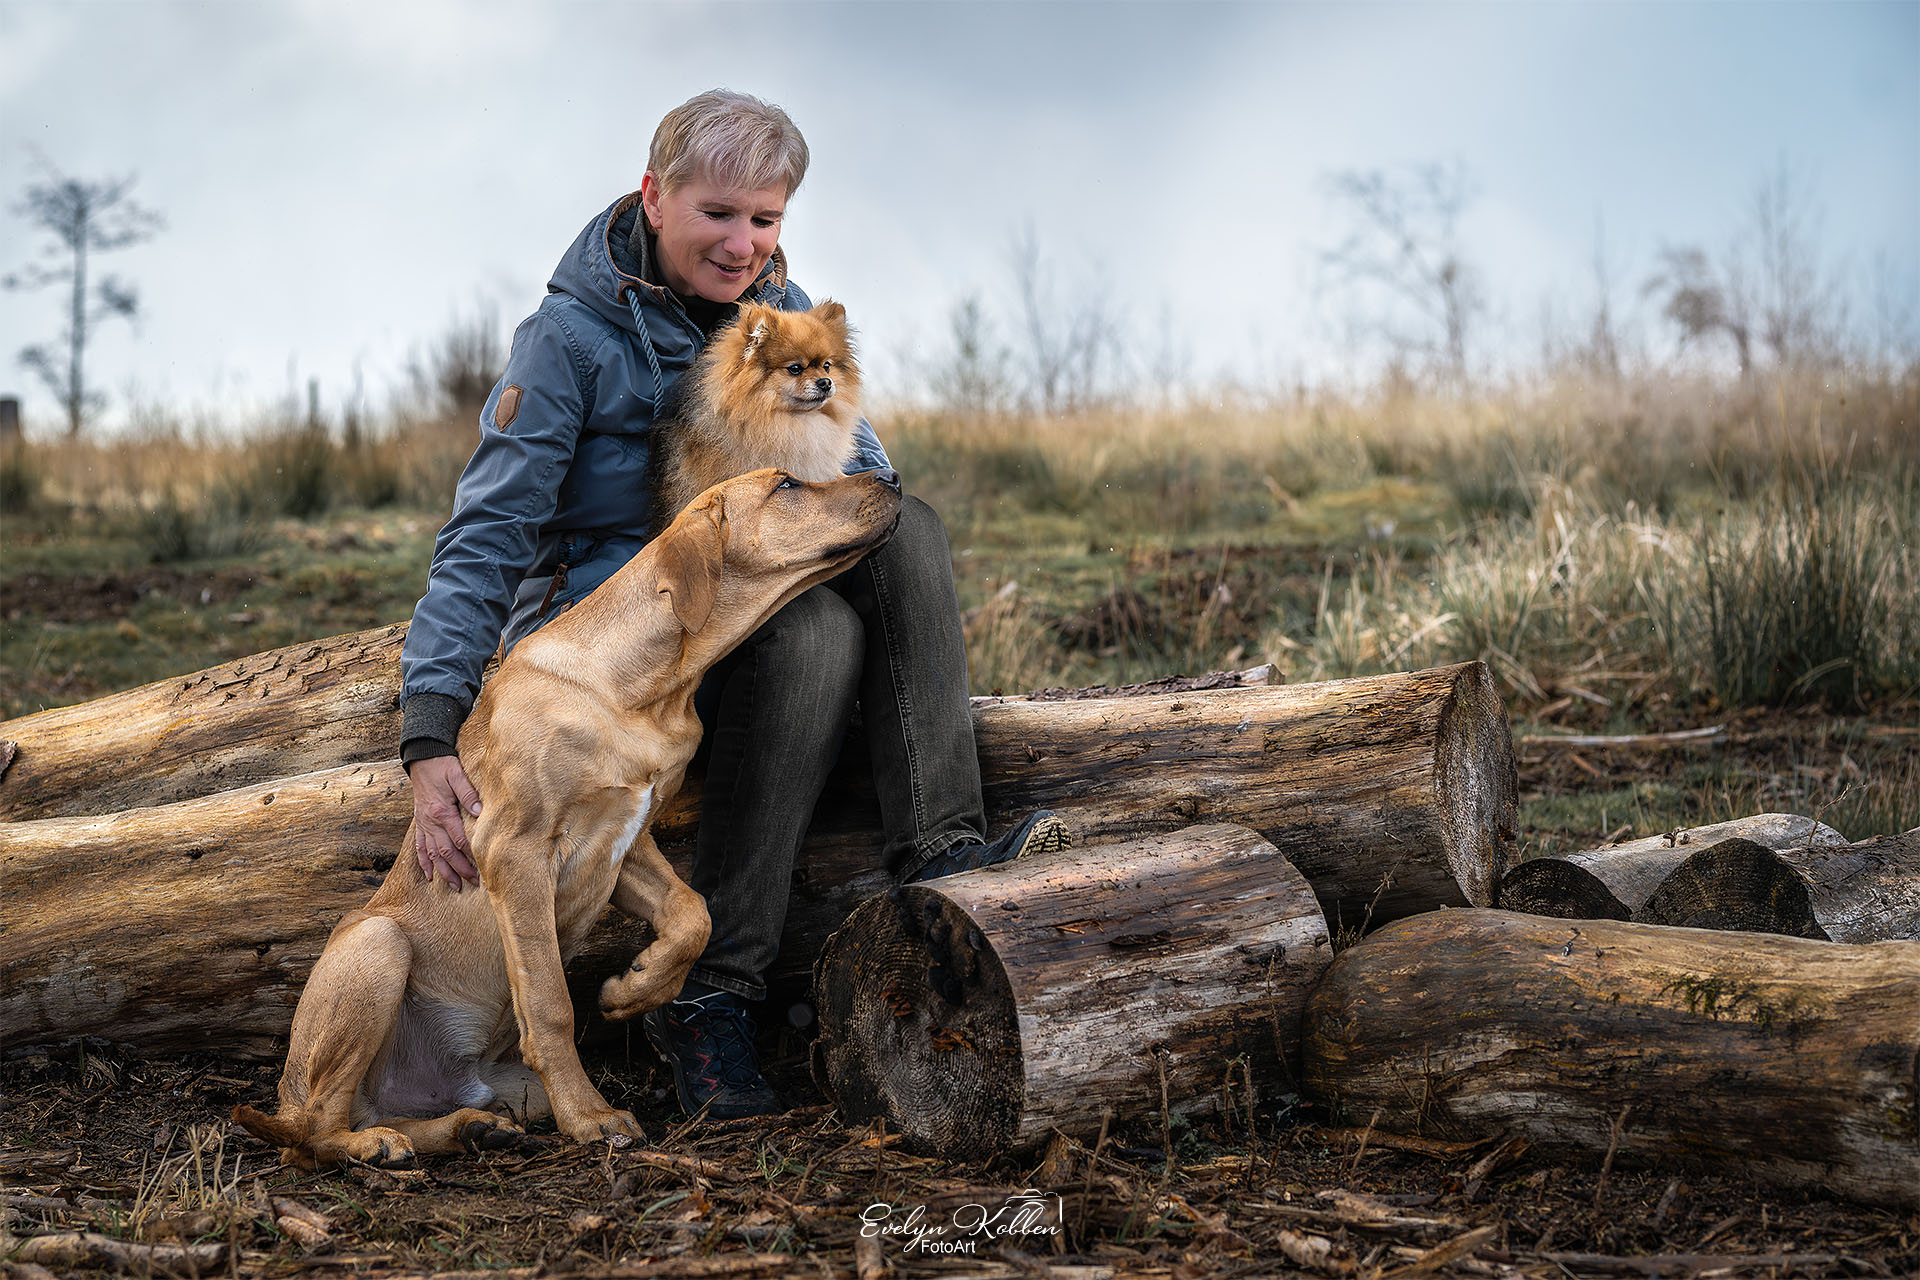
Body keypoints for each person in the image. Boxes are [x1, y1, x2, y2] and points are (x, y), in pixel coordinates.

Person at [397, 89, 1068, 1121]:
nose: (743, 242)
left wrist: (864, 492)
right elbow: (485, 535)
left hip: (748, 597)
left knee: (908, 524)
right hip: (622, 650)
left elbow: (861, 480)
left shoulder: (787, 320)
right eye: (720, 214)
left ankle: (943, 850)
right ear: (653, 196)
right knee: (810, 631)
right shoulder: (569, 339)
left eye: (766, 220)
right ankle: (717, 992)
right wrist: (430, 726)